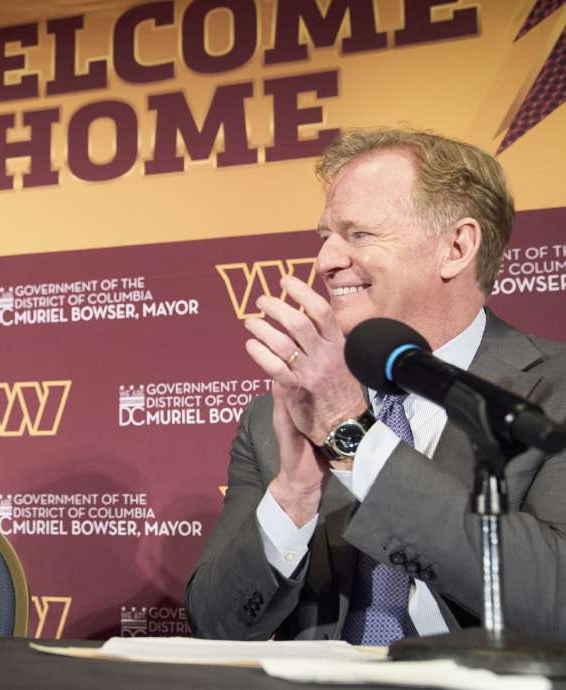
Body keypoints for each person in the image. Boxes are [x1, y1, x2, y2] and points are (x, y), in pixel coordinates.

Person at [187, 127, 566, 642]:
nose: (326, 261)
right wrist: (293, 496)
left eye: (359, 234)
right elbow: (215, 625)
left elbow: (555, 597)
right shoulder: (278, 417)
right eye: (326, 237)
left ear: (456, 247)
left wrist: (353, 436)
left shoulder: (553, 390)